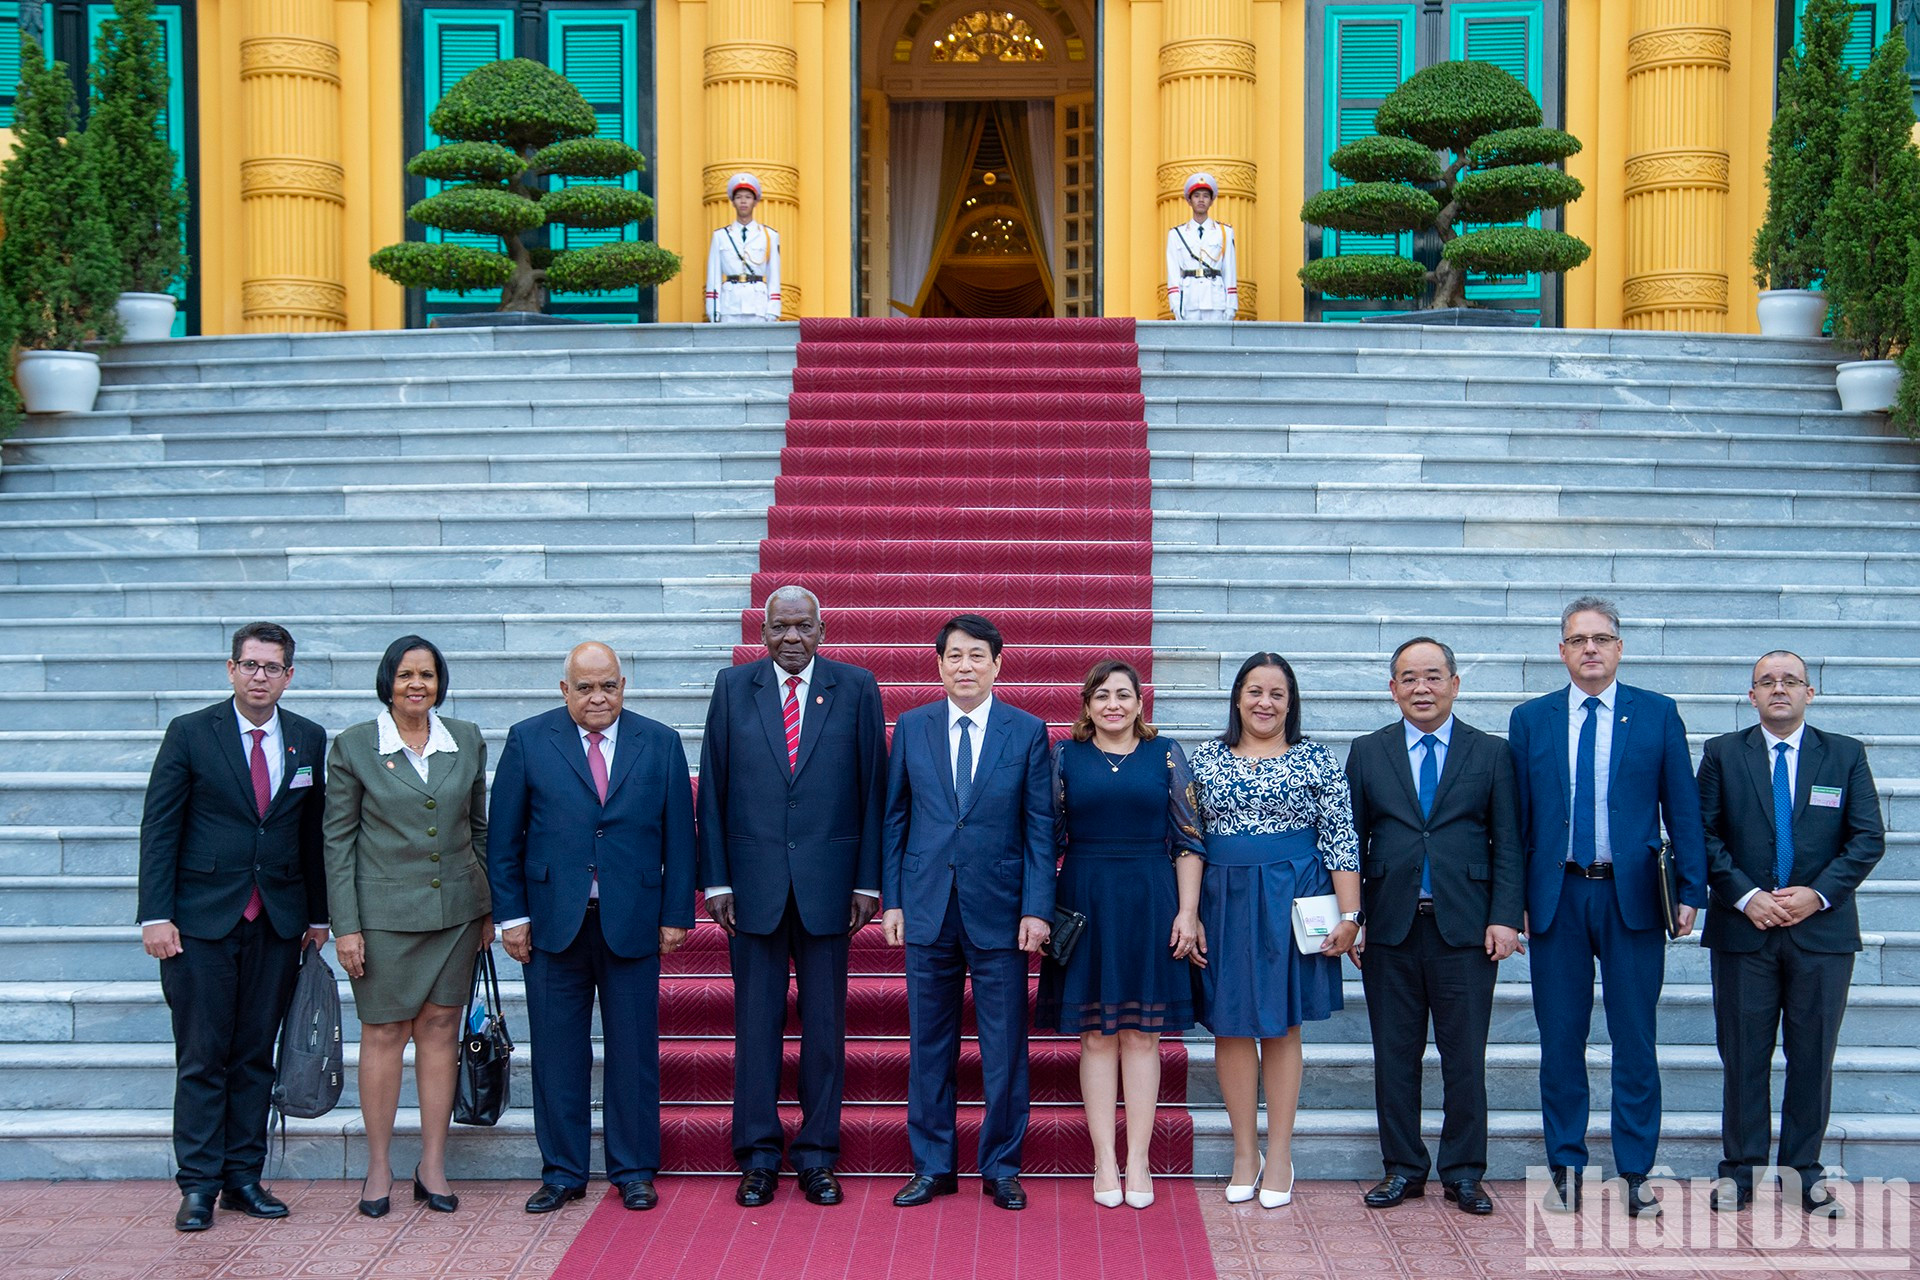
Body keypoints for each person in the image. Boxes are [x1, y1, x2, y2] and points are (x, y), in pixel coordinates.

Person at [1507, 597, 1707, 1217]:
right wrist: (1511, 900)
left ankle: (1635, 1170)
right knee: (1560, 1038)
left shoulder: (1657, 714)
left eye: (1601, 638)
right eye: (1578, 639)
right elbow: (1515, 821)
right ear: (1561, 651)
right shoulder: (1531, 719)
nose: (1590, 648)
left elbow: (1683, 807)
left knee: (1635, 1038)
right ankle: (1565, 1164)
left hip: (1634, 897)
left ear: (1619, 648)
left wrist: (1692, 891)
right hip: (1557, 896)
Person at [488, 643, 696, 1214]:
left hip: (633, 923)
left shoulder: (659, 742)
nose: (597, 698)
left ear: (623, 685)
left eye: (608, 686)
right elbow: (502, 841)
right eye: (584, 688)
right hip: (553, 926)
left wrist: (677, 914)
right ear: (564, 690)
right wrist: (512, 917)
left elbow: (680, 837)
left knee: (633, 1052)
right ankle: (562, 1171)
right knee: (558, 1054)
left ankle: (633, 1169)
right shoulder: (529, 740)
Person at [697, 587, 887, 1209]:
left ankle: (816, 1156)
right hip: (751, 888)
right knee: (756, 1026)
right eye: (779, 627)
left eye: (803, 627)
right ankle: (757, 1157)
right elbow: (715, 789)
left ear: (822, 630)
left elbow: (873, 792)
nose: (791, 639)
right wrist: (717, 879)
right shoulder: (733, 688)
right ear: (763, 631)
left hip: (832, 889)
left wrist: (867, 881)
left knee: (825, 1030)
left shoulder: (856, 688)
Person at [138, 622, 330, 1233]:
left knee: (254, 1056)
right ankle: (198, 1185)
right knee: (202, 1056)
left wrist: (319, 914)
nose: (260, 677)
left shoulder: (307, 738)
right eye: (250, 665)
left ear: (288, 676)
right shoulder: (191, 733)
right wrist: (155, 913)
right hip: (199, 923)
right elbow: (160, 827)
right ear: (230, 669)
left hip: (277, 921)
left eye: (272, 668)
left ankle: (243, 1177)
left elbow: (310, 832)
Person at [1698, 650, 1885, 1218]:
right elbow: (1702, 834)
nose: (1779, 689)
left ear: (1810, 692)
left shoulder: (1845, 755)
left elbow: (1866, 838)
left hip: (1822, 934)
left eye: (1791, 681)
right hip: (1743, 930)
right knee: (1744, 1056)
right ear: (1751, 695)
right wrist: (1748, 896)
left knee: (1813, 1057)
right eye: (1767, 682)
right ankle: (1741, 1170)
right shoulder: (1723, 755)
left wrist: (1816, 894)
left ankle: (1804, 1171)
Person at [1344, 637, 1523, 1216]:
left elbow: (1509, 843)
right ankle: (1402, 1168)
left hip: (1467, 930)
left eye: (1432, 677)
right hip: (1390, 927)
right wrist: (1355, 919)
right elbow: (1349, 841)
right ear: (1392, 688)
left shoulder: (1491, 753)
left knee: (1464, 1056)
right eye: (1408, 678)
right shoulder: (1368, 752)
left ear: (1454, 683)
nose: (1421, 688)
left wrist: (1504, 917)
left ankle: (1465, 1172)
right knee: (1394, 1055)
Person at [881, 614, 1054, 1211]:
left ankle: (1001, 1164)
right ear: (939, 664)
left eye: (976, 656)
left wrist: (1038, 908)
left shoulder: (1027, 731)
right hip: (927, 908)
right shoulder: (911, 727)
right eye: (954, 656)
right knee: (930, 1043)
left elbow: (1039, 828)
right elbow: (895, 819)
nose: (964, 666)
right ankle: (933, 1165)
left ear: (997, 664)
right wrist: (894, 899)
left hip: (1001, 913)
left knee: (1005, 1046)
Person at [323, 635, 491, 1218]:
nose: (416, 685)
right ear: (386, 681)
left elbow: (479, 827)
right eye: (404, 675)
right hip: (384, 921)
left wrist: (490, 908)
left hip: (457, 917)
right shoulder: (353, 746)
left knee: (442, 1029)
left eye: (427, 674)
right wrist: (346, 926)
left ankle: (433, 1165)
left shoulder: (465, 739)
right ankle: (378, 1168)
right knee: (385, 1035)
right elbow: (337, 842)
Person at [1189, 652, 1360, 1209]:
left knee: (1283, 1025)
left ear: (1292, 702)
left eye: (1277, 694)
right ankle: (1245, 1151)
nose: (1265, 702)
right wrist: (1188, 912)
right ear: (1237, 698)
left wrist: (1352, 916)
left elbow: (1340, 838)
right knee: (1232, 1025)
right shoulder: (1205, 760)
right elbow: (1186, 840)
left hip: (1294, 898)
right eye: (1255, 691)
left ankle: (1280, 1152)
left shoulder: (1316, 759)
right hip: (1224, 900)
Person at [1034, 661, 1204, 1211]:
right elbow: (1046, 838)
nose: (1113, 704)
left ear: (1139, 703)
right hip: (1085, 899)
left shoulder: (1166, 754)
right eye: (1101, 695)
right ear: (1087, 705)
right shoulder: (1066, 757)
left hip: (1151, 901)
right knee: (1096, 1036)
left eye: (1123, 695)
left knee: (1142, 1035)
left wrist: (1188, 911)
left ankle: (1139, 1160)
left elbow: (1188, 839)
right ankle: (1104, 1158)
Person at [705, 172, 782, 322]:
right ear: (733, 202)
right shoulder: (721, 235)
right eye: (739, 197)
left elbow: (774, 274)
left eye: (748, 197)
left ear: (755, 201)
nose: (743, 202)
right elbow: (713, 275)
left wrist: (773, 307)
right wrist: (713, 308)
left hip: (758, 306)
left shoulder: (769, 235)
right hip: (729, 305)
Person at [1165, 172, 1237, 321]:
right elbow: (1173, 273)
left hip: (1216, 302)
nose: (1201, 200)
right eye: (1196, 196)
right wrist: (1175, 304)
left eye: (1205, 196)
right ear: (1189, 200)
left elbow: (1229, 270)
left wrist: (1231, 305)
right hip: (1188, 301)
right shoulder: (1176, 234)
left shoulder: (1224, 232)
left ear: (1211, 201)